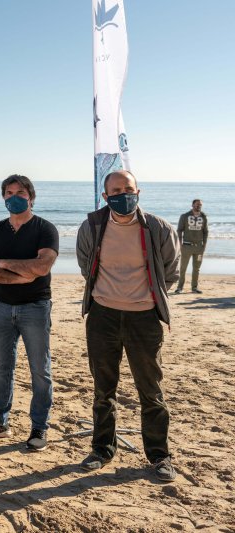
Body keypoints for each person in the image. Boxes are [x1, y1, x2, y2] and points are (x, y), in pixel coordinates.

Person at [76, 170, 180, 482]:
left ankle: (159, 456)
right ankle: (102, 449)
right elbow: (86, 266)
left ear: (138, 191)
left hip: (145, 319)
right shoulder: (93, 226)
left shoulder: (157, 227)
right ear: (106, 197)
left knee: (151, 390)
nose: (124, 195)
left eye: (129, 189)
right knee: (103, 389)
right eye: (116, 191)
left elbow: (170, 272)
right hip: (102, 317)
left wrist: (143, 298)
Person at [0, 174, 58, 452]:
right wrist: (22, 272)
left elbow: (43, 267)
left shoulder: (45, 229)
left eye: (20, 192)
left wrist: (5, 263)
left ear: (31, 197)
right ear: (3, 197)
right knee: (2, 368)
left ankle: (39, 427)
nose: (14, 197)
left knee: (40, 371)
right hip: (0, 307)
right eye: (8, 192)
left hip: (35, 307)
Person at [175, 199, 208, 294]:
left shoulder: (204, 216)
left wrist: (204, 245)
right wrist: (180, 244)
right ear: (192, 205)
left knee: (196, 268)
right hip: (186, 246)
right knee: (183, 268)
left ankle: (194, 287)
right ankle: (179, 287)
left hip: (199, 247)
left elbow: (206, 232)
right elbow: (179, 230)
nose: (199, 206)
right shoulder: (185, 216)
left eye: (200, 205)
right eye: (197, 205)